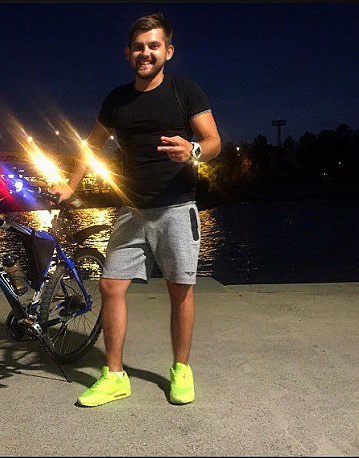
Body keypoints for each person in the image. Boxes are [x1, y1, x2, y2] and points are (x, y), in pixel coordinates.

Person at [51, 12, 221, 407]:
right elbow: (92, 146)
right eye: (139, 47)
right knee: (110, 286)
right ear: (128, 53)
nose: (146, 53)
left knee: (180, 290)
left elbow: (213, 141)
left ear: (168, 51)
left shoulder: (185, 91)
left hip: (177, 207)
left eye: (154, 46)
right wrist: (70, 185)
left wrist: (192, 150)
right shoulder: (117, 100)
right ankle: (115, 376)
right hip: (132, 210)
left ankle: (181, 370)